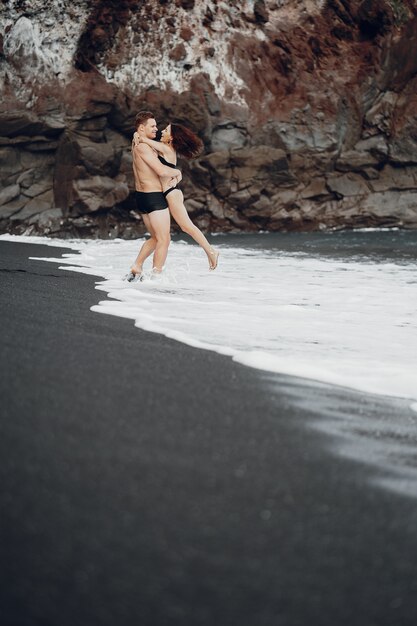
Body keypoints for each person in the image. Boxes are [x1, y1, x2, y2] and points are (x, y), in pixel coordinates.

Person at [133, 122, 219, 271]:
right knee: (176, 230)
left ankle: (211, 251)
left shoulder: (166, 148)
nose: (162, 131)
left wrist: (138, 136)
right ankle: (146, 269)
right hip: (167, 192)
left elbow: (144, 140)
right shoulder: (165, 147)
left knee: (187, 226)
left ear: (171, 137)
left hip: (172, 193)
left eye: (166, 130)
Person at [125, 110, 182, 281]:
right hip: (153, 197)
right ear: (142, 128)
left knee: (156, 238)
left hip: (142, 197)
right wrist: (177, 172)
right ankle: (156, 277)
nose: (156, 129)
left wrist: (137, 134)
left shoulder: (137, 142)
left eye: (157, 126)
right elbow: (160, 170)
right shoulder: (144, 147)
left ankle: (137, 266)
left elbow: (140, 137)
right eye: (153, 126)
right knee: (165, 239)